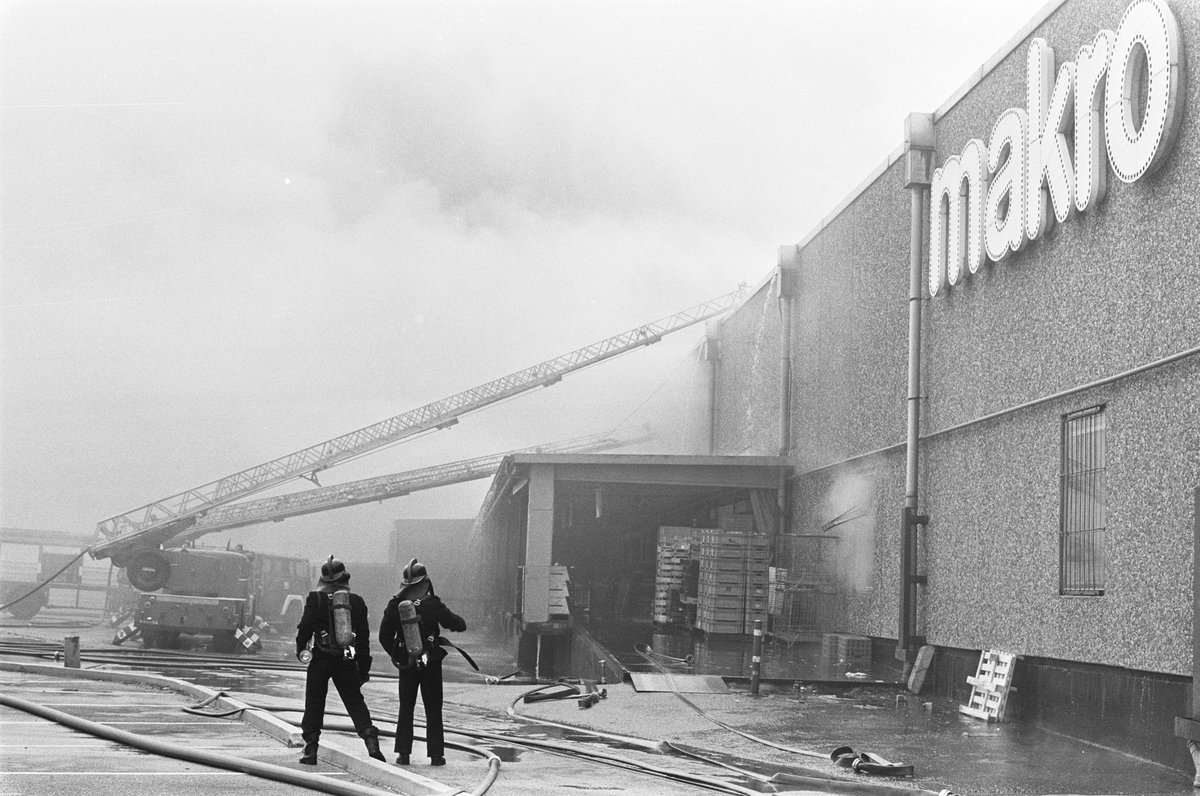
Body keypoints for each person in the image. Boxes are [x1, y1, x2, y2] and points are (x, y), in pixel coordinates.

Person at [295, 555, 386, 764]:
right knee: (355, 702)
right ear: (345, 578)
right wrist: (363, 669)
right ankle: (371, 741)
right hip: (346, 659)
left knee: (314, 703)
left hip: (320, 659)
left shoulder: (315, 599)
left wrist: (301, 650)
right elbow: (363, 638)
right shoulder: (356, 602)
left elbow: (305, 628)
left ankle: (311, 750)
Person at [378, 558, 466, 766]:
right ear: (425, 582)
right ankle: (436, 755)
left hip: (407, 664)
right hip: (431, 663)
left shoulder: (394, 605)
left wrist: (399, 656)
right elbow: (457, 623)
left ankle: (403, 754)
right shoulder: (433, 604)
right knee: (433, 709)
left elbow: (383, 636)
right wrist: (458, 623)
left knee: (406, 708)